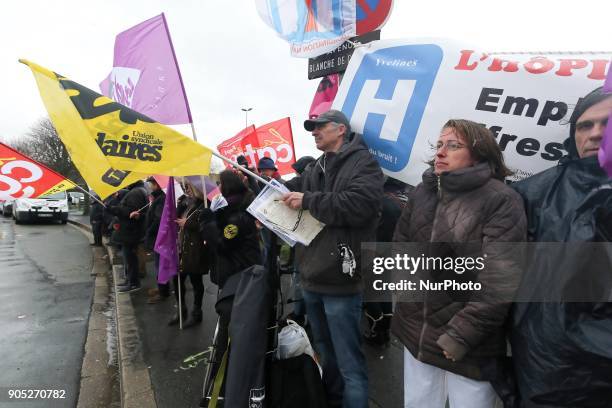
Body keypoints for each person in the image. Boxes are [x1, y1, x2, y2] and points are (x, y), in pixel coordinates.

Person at [391, 119, 526, 408]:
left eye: (453, 145)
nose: (441, 152)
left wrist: (462, 334)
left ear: (479, 154)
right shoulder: (421, 192)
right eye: (439, 144)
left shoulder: (502, 200)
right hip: (416, 334)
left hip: (468, 345)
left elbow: (499, 279)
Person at [510, 87, 612, 407]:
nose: (595, 134)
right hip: (546, 368)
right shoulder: (534, 193)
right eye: (585, 125)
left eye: (607, 123)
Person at [283, 109, 384, 408]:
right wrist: (268, 195)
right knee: (326, 352)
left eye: (320, 127)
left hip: (341, 280)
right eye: (312, 128)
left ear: (341, 130)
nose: (314, 132)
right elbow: (293, 190)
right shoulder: (316, 166)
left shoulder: (363, 162)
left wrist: (309, 200)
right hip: (311, 276)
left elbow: (360, 205)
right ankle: (331, 401)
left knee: (349, 362)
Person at [199, 169, 261, 396]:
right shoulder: (230, 209)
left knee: (231, 331)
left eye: (219, 184)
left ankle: (227, 382)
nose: (217, 188)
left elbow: (222, 242)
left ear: (227, 187)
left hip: (241, 282)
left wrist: (207, 220)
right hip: (233, 278)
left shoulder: (238, 214)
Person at [363, 176, 409, 347]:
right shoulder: (405, 201)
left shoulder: (381, 201)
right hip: (395, 251)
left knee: (373, 293)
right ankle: (386, 331)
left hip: (376, 249)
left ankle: (376, 331)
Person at [168, 182, 210, 328]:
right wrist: (179, 204)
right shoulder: (188, 202)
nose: (188, 190)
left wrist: (188, 223)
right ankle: (181, 309)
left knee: (196, 281)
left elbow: (207, 226)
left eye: (190, 187)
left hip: (195, 249)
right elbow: (176, 217)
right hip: (182, 247)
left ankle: (196, 313)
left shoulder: (205, 204)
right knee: (177, 279)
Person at [108, 180, 148, 293]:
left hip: (130, 232)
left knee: (130, 259)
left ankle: (133, 283)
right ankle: (130, 280)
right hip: (131, 232)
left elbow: (129, 212)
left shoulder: (135, 192)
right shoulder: (138, 191)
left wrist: (112, 209)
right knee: (129, 259)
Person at [143, 176, 170, 304]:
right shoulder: (158, 198)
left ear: (157, 185)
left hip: (158, 237)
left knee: (160, 265)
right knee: (158, 264)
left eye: (151, 184)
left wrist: (149, 231)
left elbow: (158, 219)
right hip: (157, 236)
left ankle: (163, 291)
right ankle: (161, 288)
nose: (150, 186)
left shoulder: (161, 199)